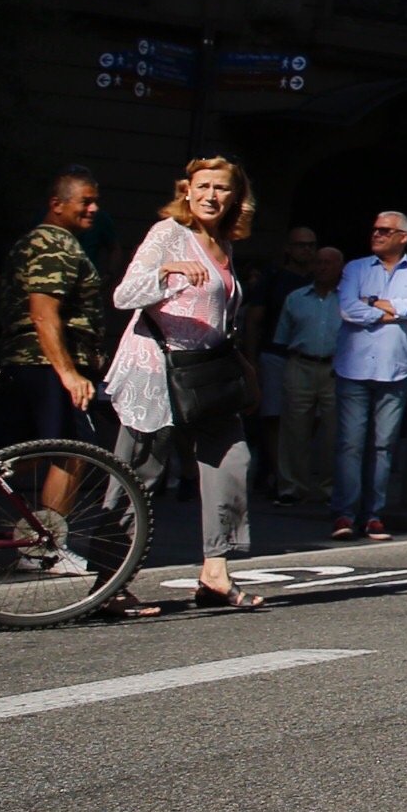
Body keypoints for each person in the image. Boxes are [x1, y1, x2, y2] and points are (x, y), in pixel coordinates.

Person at [107, 155, 263, 612]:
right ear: (187, 191)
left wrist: (244, 364)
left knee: (232, 459)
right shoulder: (168, 234)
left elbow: (217, 314)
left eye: (222, 188)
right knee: (139, 473)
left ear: (236, 197)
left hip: (207, 375)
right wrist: (168, 270)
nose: (211, 196)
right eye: (203, 186)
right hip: (157, 369)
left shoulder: (222, 243)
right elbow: (123, 295)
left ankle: (216, 570)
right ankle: (109, 582)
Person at [330, 208, 407, 541]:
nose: (377, 234)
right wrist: (395, 310)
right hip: (354, 367)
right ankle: (345, 514)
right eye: (375, 229)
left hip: (395, 369)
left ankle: (374, 514)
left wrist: (373, 303)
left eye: (385, 231)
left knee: (383, 445)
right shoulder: (355, 267)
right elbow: (347, 308)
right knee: (350, 444)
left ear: (404, 237)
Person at [0, 171, 113, 450]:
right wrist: (68, 374)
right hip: (46, 365)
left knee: (15, 457)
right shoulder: (53, 244)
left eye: (95, 202)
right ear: (57, 204)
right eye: (85, 202)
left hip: (33, 363)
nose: (94, 209)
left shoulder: (47, 241)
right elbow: (42, 312)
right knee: (74, 453)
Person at [267, 243, 344, 504]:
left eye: (329, 263)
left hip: (336, 368)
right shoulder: (296, 298)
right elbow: (283, 336)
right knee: (293, 429)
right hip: (300, 363)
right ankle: (291, 487)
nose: (322, 267)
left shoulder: (348, 299)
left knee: (334, 431)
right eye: (318, 262)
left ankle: (329, 489)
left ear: (340, 268)